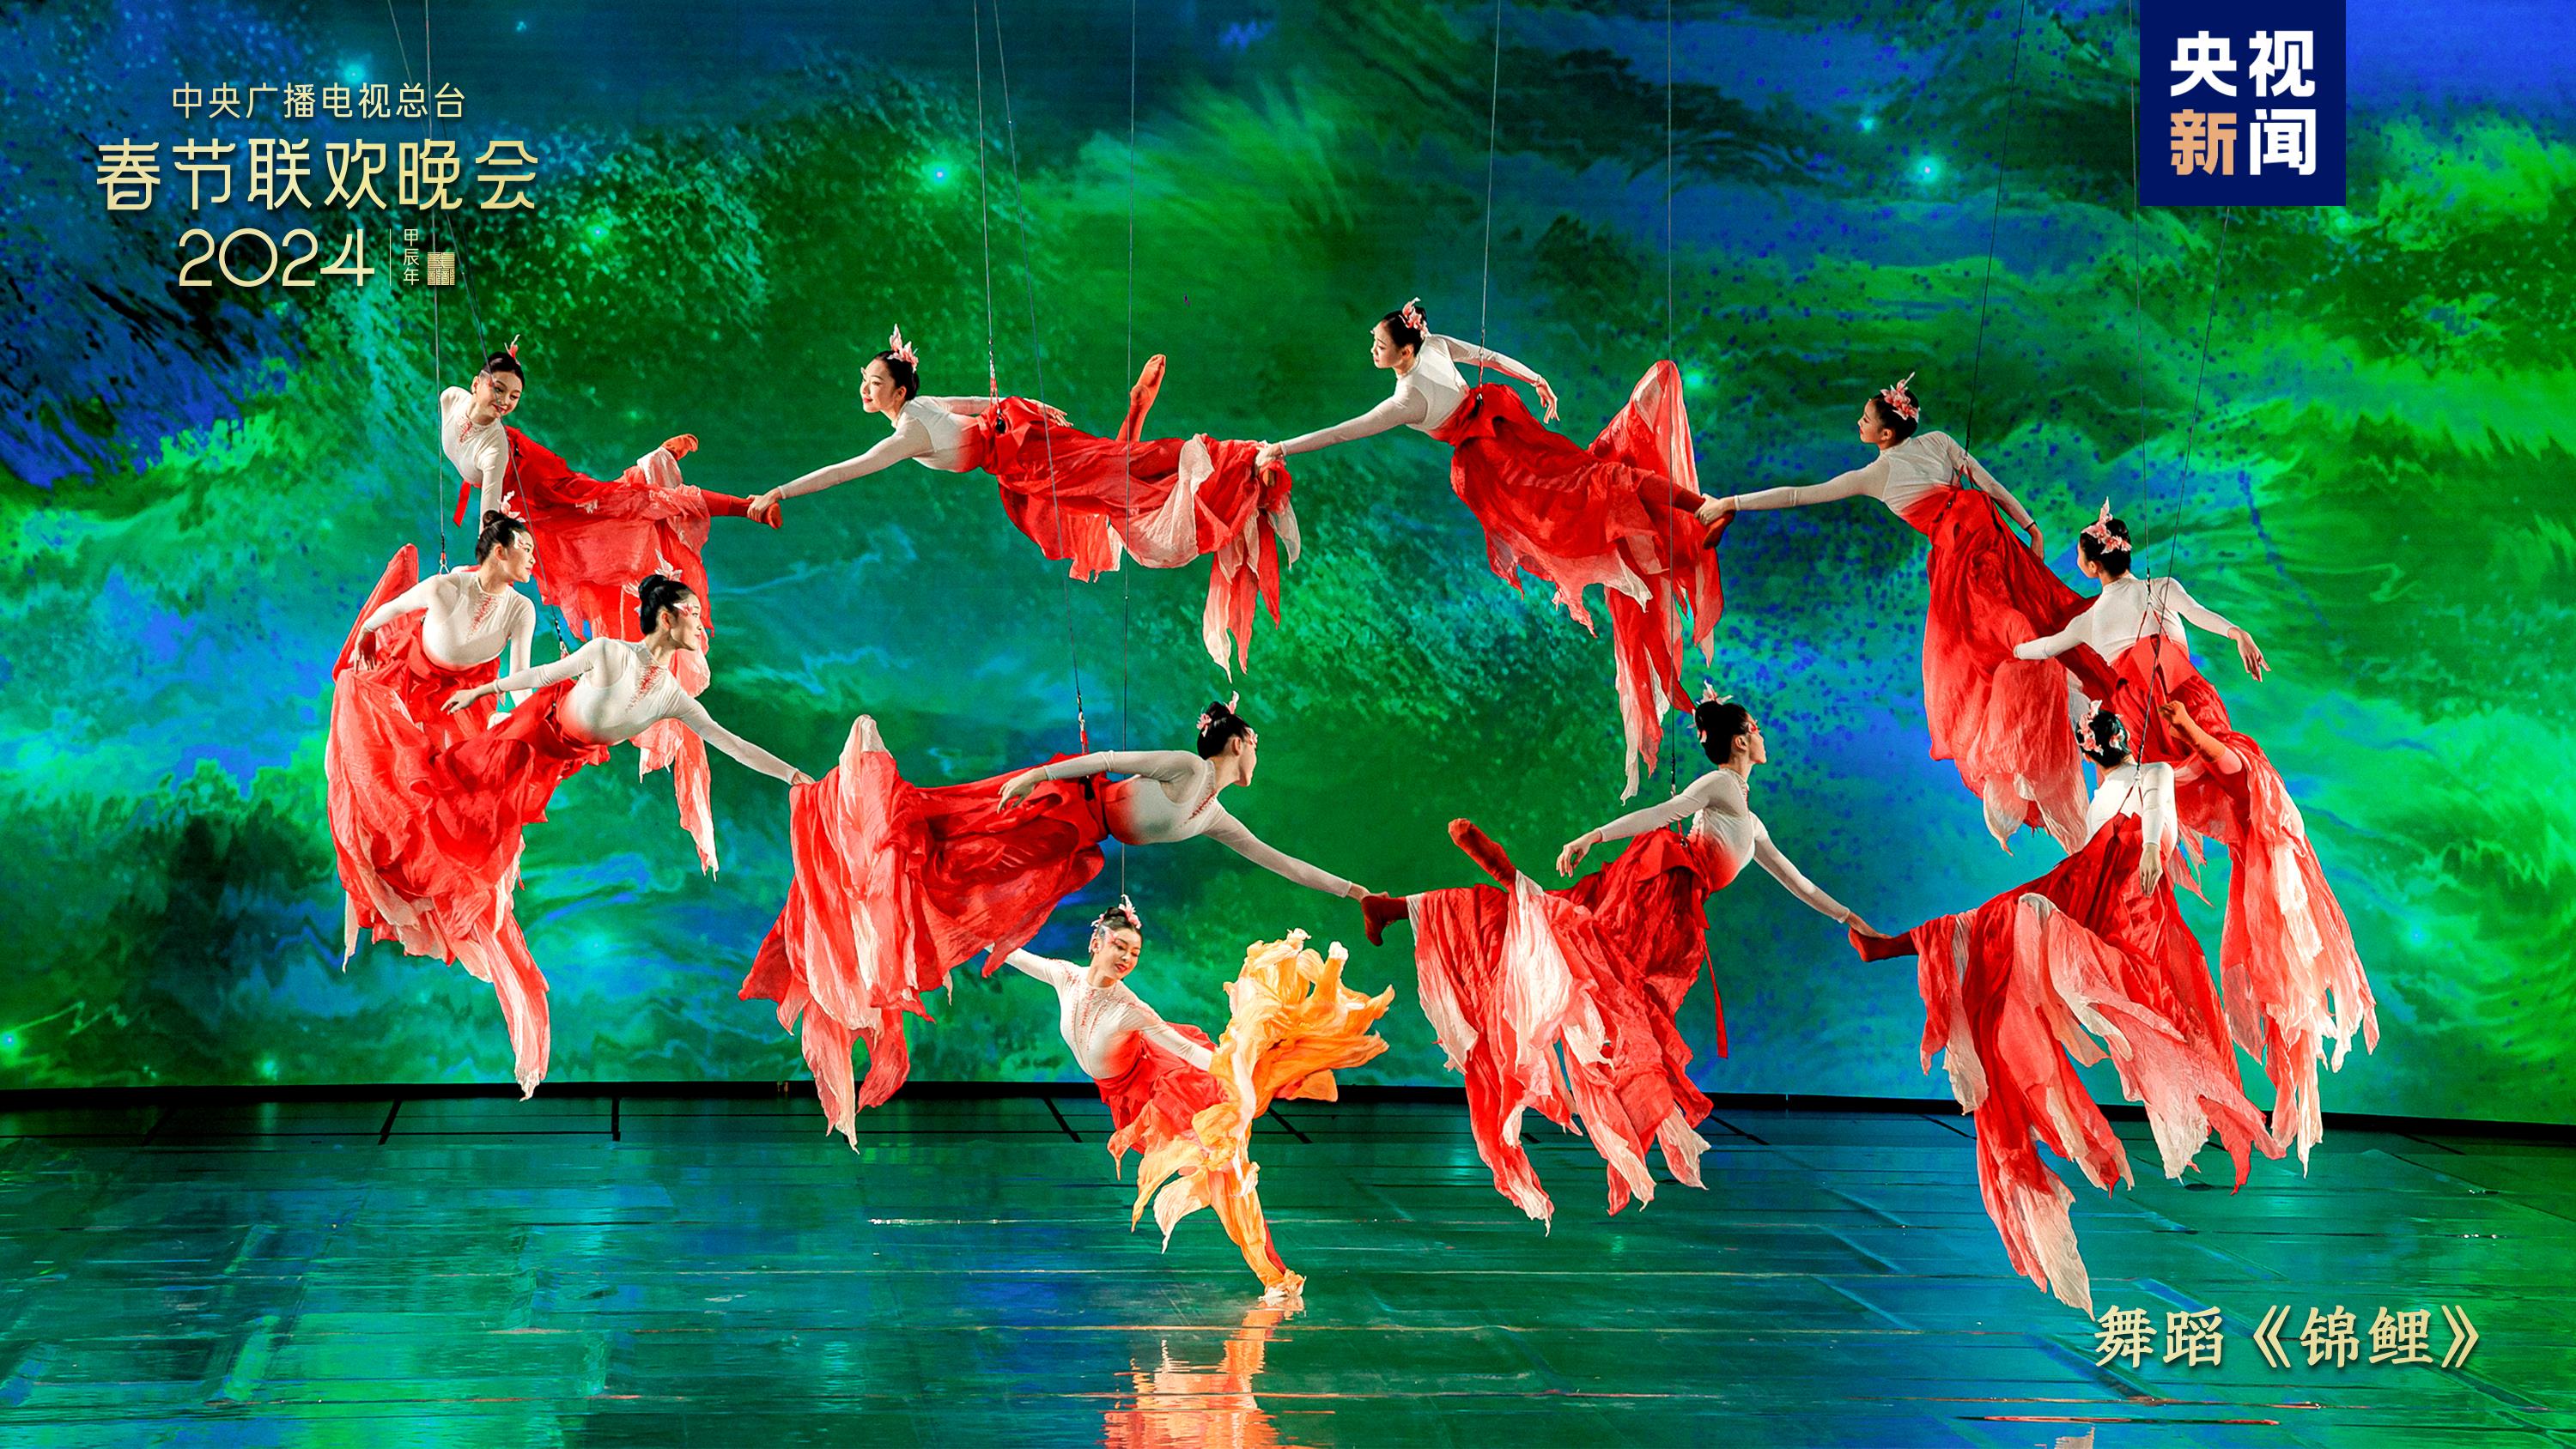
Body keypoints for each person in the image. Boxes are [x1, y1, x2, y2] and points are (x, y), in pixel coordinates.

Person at [744, 697, 1373, 1142]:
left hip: (1067, 844)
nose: (1258, 755)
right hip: (1055, 809)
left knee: (956, 871)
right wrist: (1039, 774)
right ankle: (871, 846)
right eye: (1256, 744)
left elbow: (1283, 863)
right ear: (1238, 743)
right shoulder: (1189, 769)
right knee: (948, 840)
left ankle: (893, 912)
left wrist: (1357, 894)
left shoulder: (1213, 815)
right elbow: (1107, 758)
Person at [1360, 690, 1871, 1222]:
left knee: (1578, 958)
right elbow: (1664, 812)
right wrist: (1592, 837)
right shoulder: (1721, 785)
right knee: (1572, 942)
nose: (1763, 736)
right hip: (1652, 896)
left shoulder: (1751, 822)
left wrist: (1851, 919)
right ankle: (1506, 884)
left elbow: (1799, 883)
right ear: (1741, 741)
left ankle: (1408, 905)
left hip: (1672, 927)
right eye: (1756, 729)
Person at [1848, 704, 2278, 1316]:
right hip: (2091, 898)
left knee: (2038, 920)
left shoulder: (2154, 772)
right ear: (2089, 748)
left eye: (2110, 727)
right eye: (2094, 733)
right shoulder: (2100, 799)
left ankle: (1916, 947)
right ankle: (1891, 946)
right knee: (1998, 916)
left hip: (2136, 915)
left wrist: (2153, 839)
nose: (2106, 735)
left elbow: (2168, 802)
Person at [344, 575, 807, 1095]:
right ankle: (381, 833)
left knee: (469, 843)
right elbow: (543, 674)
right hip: (518, 743)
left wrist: (792, 775)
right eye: (694, 614)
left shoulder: (671, 695)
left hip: (544, 773)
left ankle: (402, 868)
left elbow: (732, 743)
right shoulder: (610, 653)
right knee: (440, 801)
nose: (703, 626)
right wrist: (482, 690)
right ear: (667, 618)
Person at [2012, 504, 2377, 1164]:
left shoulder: (2096, 618)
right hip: (2177, 719)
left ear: (2092, 564)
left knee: (2208, 788)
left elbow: (2046, 647)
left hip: (2164, 725)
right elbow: (2211, 620)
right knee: (2201, 789)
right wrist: (2241, 636)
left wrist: (2013, 651)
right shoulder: (2157, 592)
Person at [1256, 300, 1721, 795]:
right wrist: (1535, 379)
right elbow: (1489, 358)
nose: (1372, 349)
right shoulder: (1431, 350)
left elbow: (1342, 433)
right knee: (1600, 481)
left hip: (1502, 464)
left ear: (1405, 349)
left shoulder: (1406, 399)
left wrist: (1281, 447)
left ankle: (1696, 511)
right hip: (1509, 436)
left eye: (1380, 343)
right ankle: (1696, 510)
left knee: (1600, 482)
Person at [750, 331, 1300, 670]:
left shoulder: (908, 431)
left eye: (873, 382)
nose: (865, 389)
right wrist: (1029, 406)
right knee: (1115, 488)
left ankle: (1234, 457)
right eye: (865, 380)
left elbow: (846, 471)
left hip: (1029, 462)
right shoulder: (919, 409)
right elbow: (976, 401)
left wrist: (780, 491)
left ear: (898, 391)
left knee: (1121, 483)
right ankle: (1154, 427)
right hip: (1021, 452)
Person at [1698, 375, 2088, 849]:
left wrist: (1730, 502)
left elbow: (1799, 494)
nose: (1858, 423)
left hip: (1972, 552)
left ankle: (2040, 731)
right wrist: (2029, 524)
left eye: (1865, 418)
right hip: (1984, 539)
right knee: (2012, 630)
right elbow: (1986, 482)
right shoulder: (1933, 445)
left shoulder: (1881, 473)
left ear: (1885, 433)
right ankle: (2052, 719)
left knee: (1985, 647)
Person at [1004, 902, 1392, 1296]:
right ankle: (1272, 1269)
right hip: (1122, 1096)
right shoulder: (1064, 976)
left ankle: (1275, 1274)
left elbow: (1188, 1052)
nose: (1126, 958)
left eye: (1134, 952)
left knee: (1223, 1169)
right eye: (1119, 946)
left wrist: (1234, 1075)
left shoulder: (1129, 1008)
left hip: (1163, 1089)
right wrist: (964, 927)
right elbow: (1009, 953)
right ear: (1095, 943)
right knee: (1210, 1170)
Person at [440, 339, 770, 649]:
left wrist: (482, 574)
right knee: (576, 558)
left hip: (543, 486)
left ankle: (746, 505)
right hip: (528, 507)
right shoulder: (451, 398)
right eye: (498, 389)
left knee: (627, 504)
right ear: (475, 384)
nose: (505, 402)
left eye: (514, 397)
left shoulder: (494, 451)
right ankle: (655, 465)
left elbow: (490, 520)